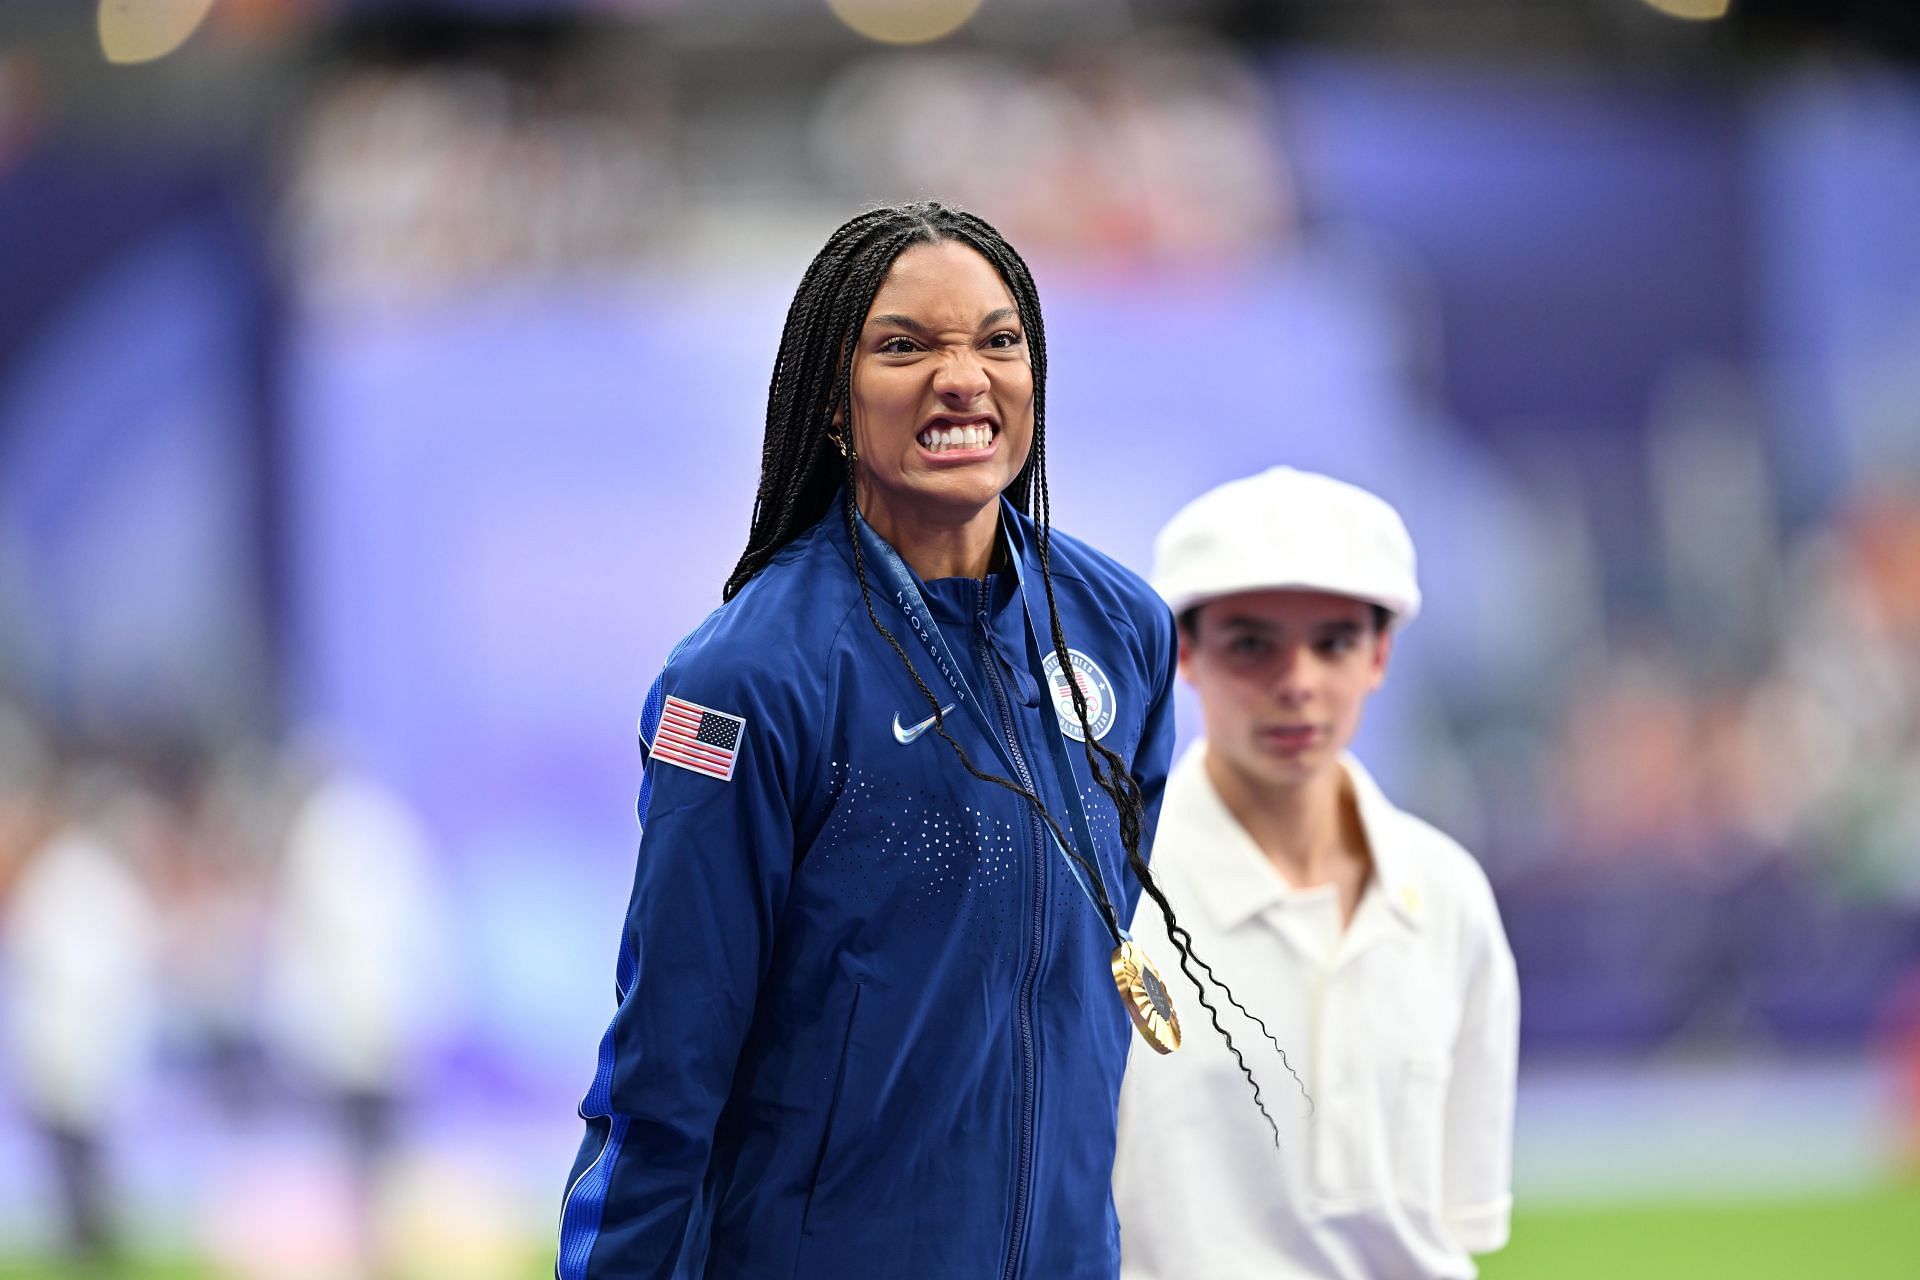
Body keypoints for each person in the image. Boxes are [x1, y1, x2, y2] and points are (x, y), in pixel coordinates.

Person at [555, 203, 1263, 1280]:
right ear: (832, 404)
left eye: (998, 338)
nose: (964, 376)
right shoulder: (744, 680)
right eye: (904, 345)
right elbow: (666, 1071)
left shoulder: (1123, 630)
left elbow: (1086, 975)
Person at [1113, 466, 1520, 1279]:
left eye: (1334, 642)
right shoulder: (1108, 892)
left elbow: (1458, 1217)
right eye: (1252, 644)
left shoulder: (1445, 896)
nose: (1297, 683)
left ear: (1380, 656)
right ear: (1185, 654)